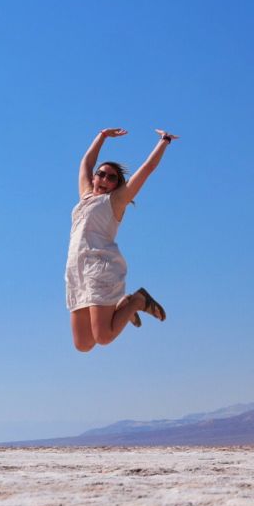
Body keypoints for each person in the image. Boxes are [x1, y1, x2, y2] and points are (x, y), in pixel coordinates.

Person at [65, 127, 178, 352]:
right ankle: (123, 304)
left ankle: (137, 300)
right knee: (84, 344)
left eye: (112, 177)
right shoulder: (85, 197)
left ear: (118, 185)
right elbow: (85, 164)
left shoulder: (115, 202)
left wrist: (164, 141)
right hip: (75, 270)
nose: (104, 178)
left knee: (104, 336)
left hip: (100, 267)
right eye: (101, 174)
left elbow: (147, 169)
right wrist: (102, 136)